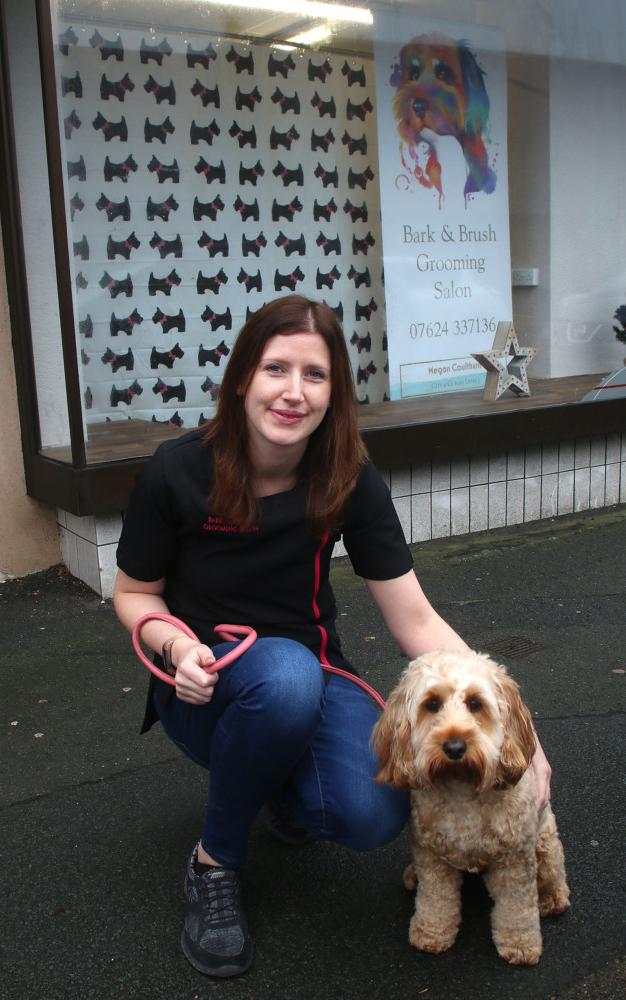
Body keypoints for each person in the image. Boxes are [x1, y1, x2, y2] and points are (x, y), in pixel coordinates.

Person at [113, 294, 551, 978]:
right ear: (241, 379)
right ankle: (213, 862)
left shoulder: (347, 479)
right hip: (202, 691)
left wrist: (523, 736)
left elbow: (416, 621)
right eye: (275, 369)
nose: (293, 392)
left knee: (373, 814)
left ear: (334, 391)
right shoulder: (175, 472)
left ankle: (280, 784)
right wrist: (175, 649)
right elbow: (134, 593)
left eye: (314, 375)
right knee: (284, 678)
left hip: (311, 678)